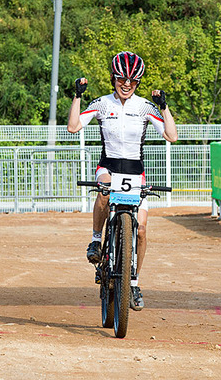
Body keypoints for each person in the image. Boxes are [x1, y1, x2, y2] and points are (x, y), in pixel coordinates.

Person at [67, 51, 178, 311]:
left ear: (138, 82)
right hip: (109, 167)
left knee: (140, 229)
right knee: (103, 190)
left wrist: (164, 106)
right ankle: (96, 240)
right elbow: (73, 127)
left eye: (133, 80)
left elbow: (171, 136)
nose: (126, 84)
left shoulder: (144, 107)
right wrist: (77, 96)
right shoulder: (103, 104)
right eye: (121, 79)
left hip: (134, 172)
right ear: (113, 79)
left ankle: (134, 282)